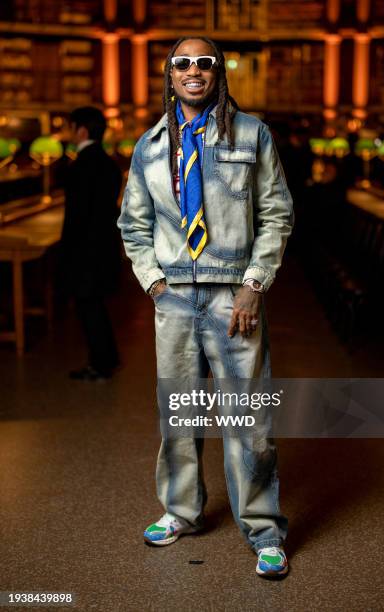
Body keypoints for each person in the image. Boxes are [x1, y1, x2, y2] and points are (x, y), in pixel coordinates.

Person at [117, 37, 294, 578]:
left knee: (248, 421)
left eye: (204, 63)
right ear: (169, 75)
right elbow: (133, 225)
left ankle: (264, 530)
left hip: (232, 296)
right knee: (179, 416)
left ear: (218, 73)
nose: (193, 71)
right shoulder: (148, 147)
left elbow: (277, 212)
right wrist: (154, 286)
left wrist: (253, 285)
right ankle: (181, 511)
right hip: (173, 298)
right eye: (182, 64)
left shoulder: (252, 133)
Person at [60, 106, 122, 381]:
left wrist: (65, 251)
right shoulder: (109, 164)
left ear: (81, 130)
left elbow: (75, 216)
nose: (67, 133)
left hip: (84, 250)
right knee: (97, 306)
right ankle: (108, 358)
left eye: (70, 127)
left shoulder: (80, 166)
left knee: (89, 308)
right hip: (104, 245)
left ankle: (100, 365)